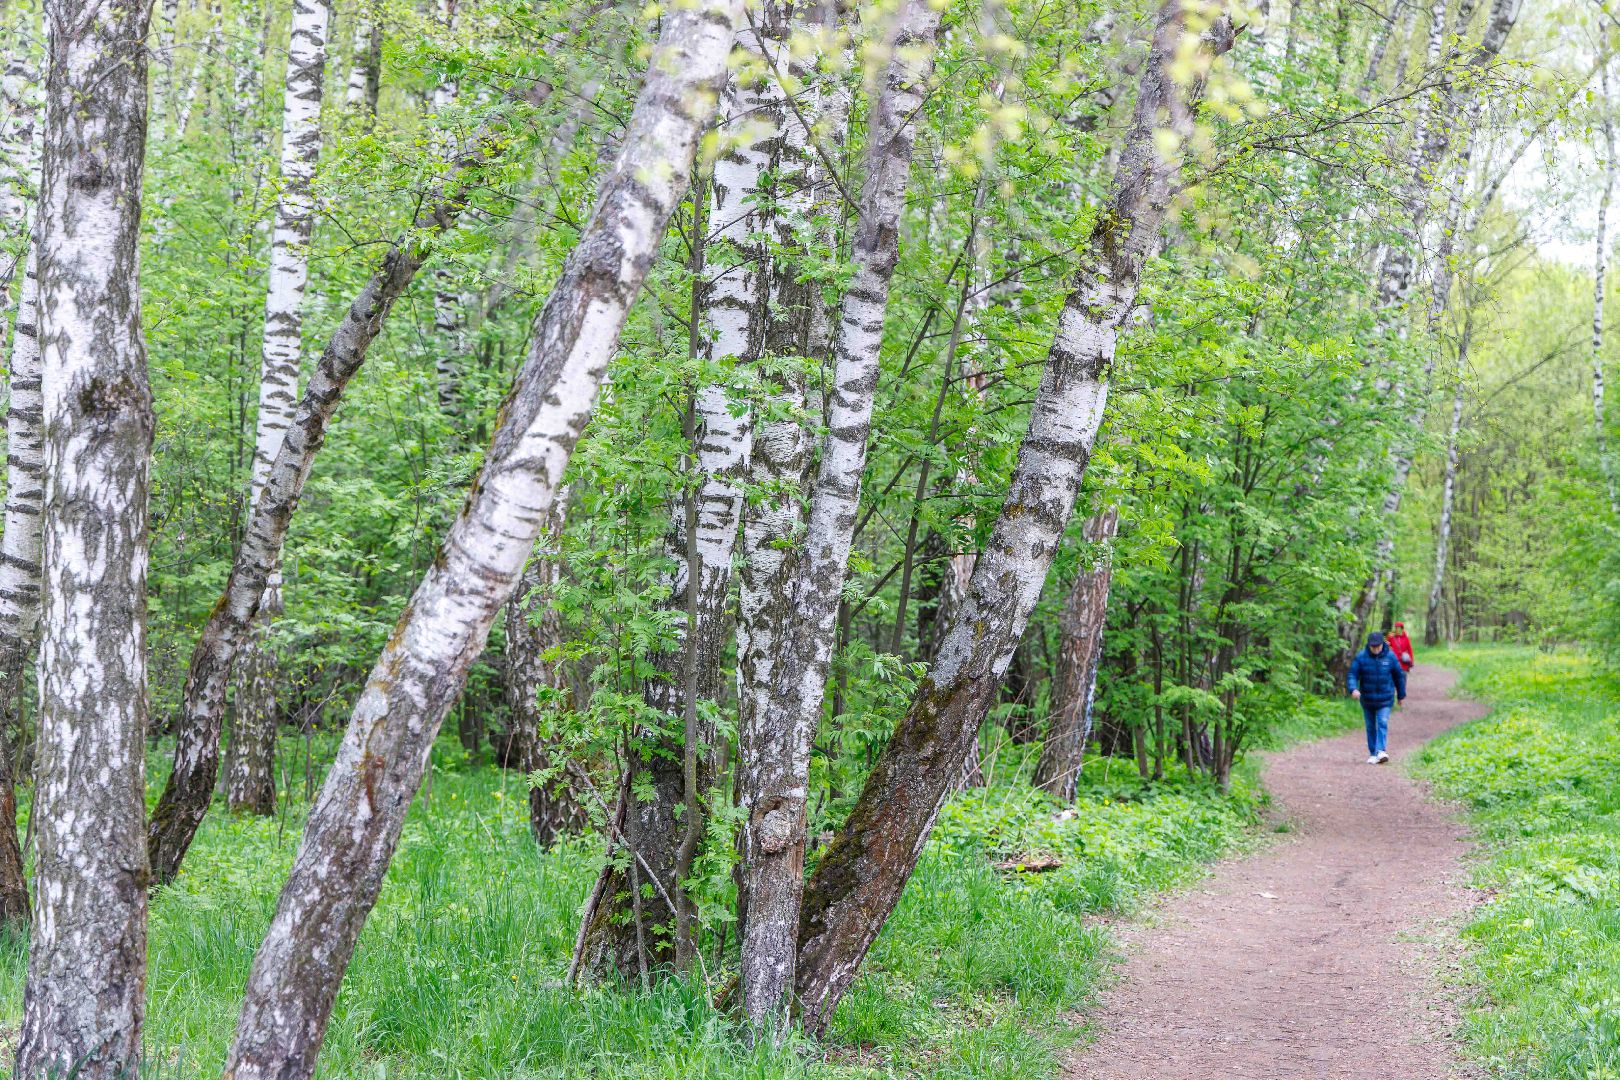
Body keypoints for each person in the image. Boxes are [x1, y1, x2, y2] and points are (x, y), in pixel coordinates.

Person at [1347, 631, 1406, 765]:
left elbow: (1398, 677)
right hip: (1367, 699)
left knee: (1382, 722)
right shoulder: (1361, 657)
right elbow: (1352, 674)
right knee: (1370, 726)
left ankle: (1381, 750)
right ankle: (1373, 753)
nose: (1375, 649)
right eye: (1373, 647)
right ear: (1369, 645)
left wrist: (1401, 695)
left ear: (1382, 645)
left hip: (1385, 698)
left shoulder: (1390, 657)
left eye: (1377, 646)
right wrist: (1353, 688)